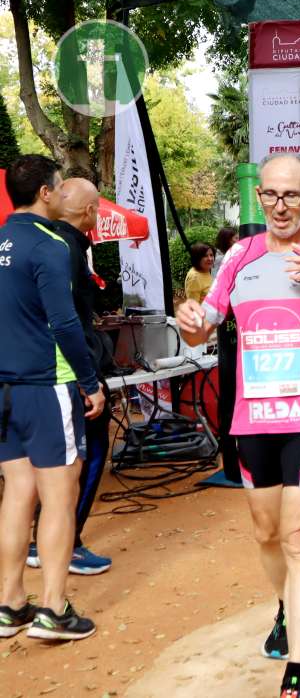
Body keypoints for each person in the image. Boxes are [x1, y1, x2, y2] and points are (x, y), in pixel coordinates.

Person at [176, 152, 300, 698]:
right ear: (258, 197)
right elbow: (201, 330)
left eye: (291, 196)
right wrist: (190, 321)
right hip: (251, 421)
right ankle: (285, 606)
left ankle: (298, 672)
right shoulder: (238, 256)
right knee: (265, 532)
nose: (280, 206)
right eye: (270, 195)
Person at [0, 155, 106, 642]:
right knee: (59, 497)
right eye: (59, 187)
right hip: (49, 384)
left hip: (6, 388)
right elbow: (64, 321)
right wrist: (90, 381)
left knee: (17, 494)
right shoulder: (49, 245)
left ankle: (10, 603)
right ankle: (54, 609)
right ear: (45, 191)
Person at [24, 177, 112, 576]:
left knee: (40, 467)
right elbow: (67, 320)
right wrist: (88, 378)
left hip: (30, 374)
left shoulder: (34, 241)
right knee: (85, 457)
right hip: (67, 373)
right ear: (91, 213)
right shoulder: (65, 248)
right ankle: (66, 543)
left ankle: (38, 542)